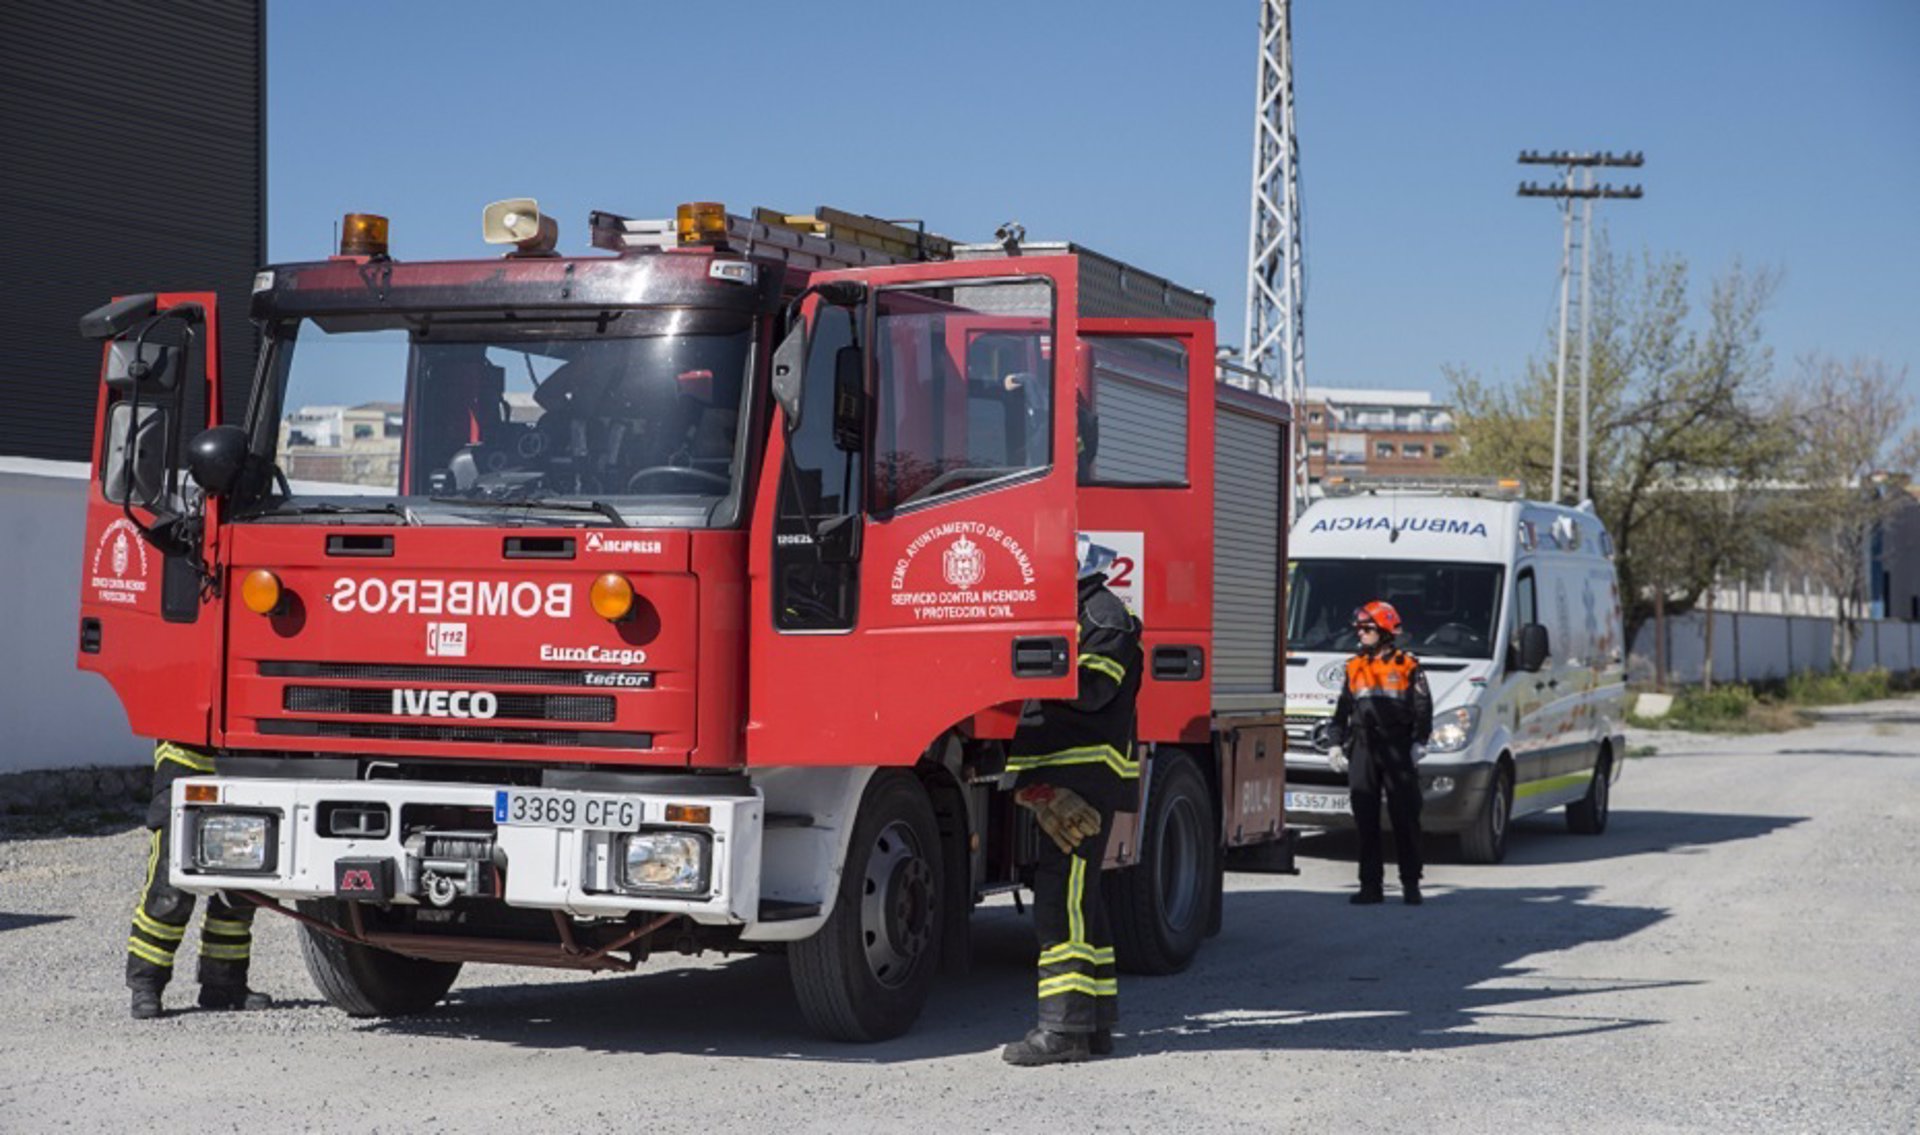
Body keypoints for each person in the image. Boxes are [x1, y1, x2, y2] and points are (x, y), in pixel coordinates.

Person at [1000, 533, 1144, 1066]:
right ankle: (1096, 1024)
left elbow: (1095, 689)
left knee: (1062, 905)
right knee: (1081, 901)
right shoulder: (1087, 614)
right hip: (1068, 775)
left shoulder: (1104, 618)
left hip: (1084, 775)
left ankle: (1063, 1030)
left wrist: (1026, 662)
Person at [126, 741, 273, 1019]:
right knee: (170, 891)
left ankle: (224, 984)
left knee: (240, 884)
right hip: (186, 758)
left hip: (245, 757)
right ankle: (146, 984)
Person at [1326, 600, 1434, 906]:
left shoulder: (1408, 665)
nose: (1360, 633)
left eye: (1367, 628)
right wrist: (1335, 743)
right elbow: (1342, 711)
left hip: (1397, 748)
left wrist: (1419, 742)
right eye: (1359, 628)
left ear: (1385, 631)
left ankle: (1411, 883)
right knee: (1365, 818)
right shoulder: (1354, 666)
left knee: (1405, 817)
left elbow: (1423, 708)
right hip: (1363, 747)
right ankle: (1370, 886)